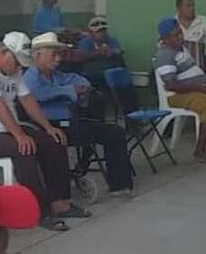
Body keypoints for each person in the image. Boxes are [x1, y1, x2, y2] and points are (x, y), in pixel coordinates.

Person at [0, 32, 89, 231]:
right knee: (24, 149)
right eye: (17, 61)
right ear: (4, 53)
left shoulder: (15, 72)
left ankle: (60, 202)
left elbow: (27, 100)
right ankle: (40, 211)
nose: (19, 67)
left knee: (53, 142)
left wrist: (48, 127)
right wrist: (20, 135)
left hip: (9, 130)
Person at [25, 32, 133, 195]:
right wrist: (68, 91)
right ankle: (75, 173)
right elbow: (38, 94)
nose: (58, 59)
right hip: (49, 127)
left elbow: (80, 80)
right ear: (37, 55)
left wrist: (72, 89)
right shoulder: (29, 77)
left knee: (114, 132)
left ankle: (119, 184)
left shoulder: (58, 75)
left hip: (71, 122)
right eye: (53, 54)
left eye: (59, 54)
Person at [155, 17, 206, 163]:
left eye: (180, 32)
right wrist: (200, 88)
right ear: (165, 39)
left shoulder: (181, 48)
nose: (181, 36)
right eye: (176, 35)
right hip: (177, 95)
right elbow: (171, 85)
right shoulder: (165, 55)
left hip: (196, 90)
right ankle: (199, 151)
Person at [175, 0, 206, 74]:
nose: (192, 8)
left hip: (201, 65)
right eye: (188, 6)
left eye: (193, 5)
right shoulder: (173, 23)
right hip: (179, 66)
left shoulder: (203, 21)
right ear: (179, 8)